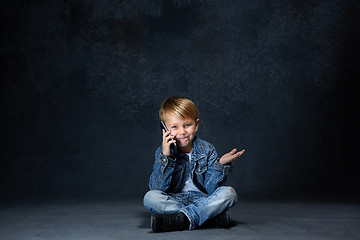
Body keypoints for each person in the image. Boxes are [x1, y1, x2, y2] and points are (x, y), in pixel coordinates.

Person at [143, 97, 245, 232]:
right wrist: (166, 157)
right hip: (175, 200)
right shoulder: (162, 153)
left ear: (196, 125)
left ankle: (181, 219)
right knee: (150, 198)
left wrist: (220, 165)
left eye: (187, 125)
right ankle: (208, 217)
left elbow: (211, 189)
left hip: (203, 199)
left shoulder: (207, 150)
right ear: (164, 129)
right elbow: (157, 187)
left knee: (229, 193)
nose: (182, 132)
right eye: (174, 127)